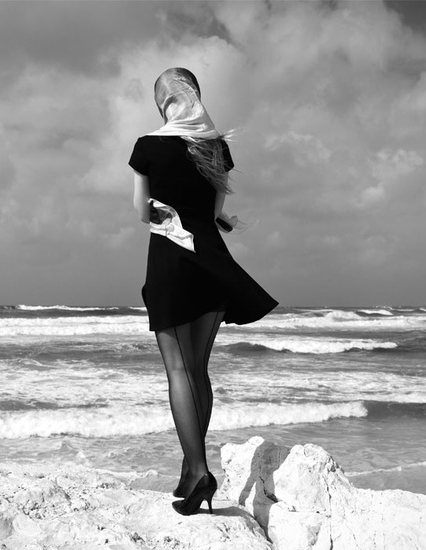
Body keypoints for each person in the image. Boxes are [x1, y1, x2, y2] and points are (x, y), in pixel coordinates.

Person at [128, 68, 278, 516]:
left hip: (172, 262)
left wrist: (163, 207)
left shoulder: (147, 146)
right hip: (212, 263)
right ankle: (188, 468)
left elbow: (141, 212)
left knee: (178, 370)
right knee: (198, 369)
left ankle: (199, 472)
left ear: (162, 102)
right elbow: (214, 212)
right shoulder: (214, 147)